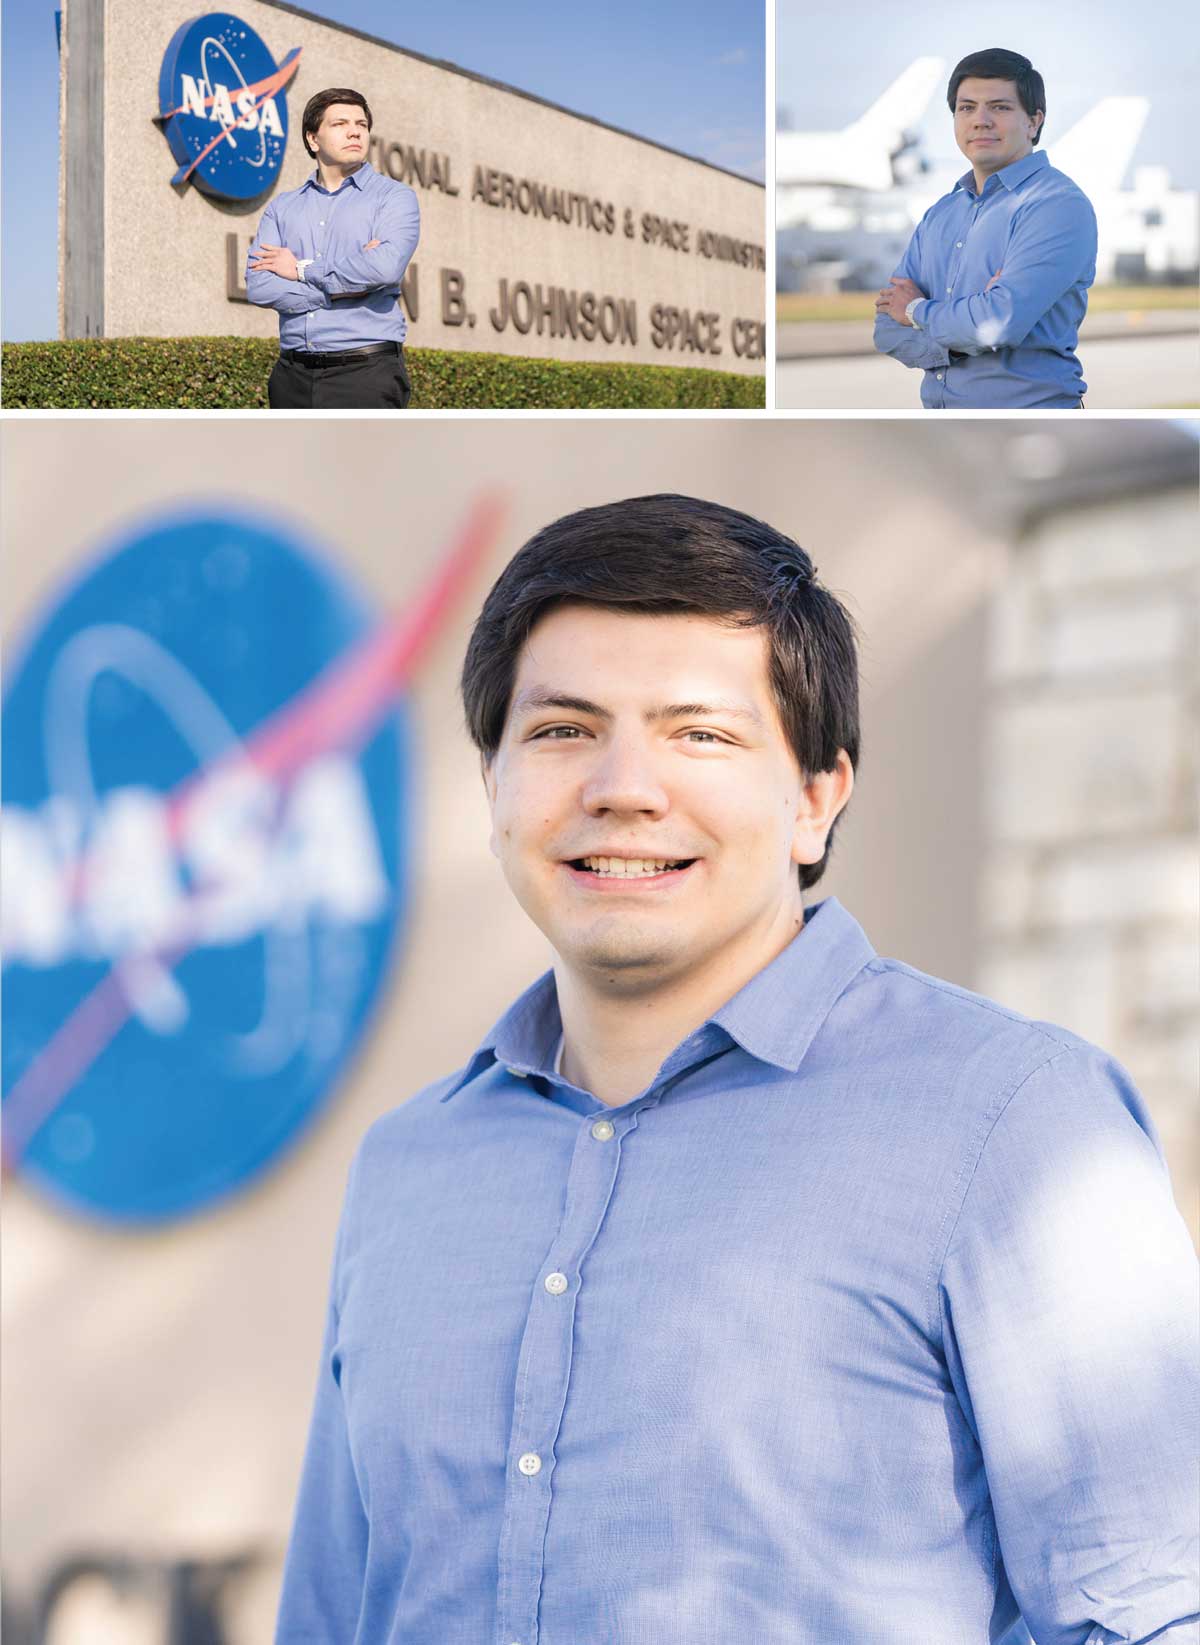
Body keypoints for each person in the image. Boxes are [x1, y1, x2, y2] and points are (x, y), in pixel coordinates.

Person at [275, 496, 1198, 1644]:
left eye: (698, 732)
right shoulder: (408, 1168)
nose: (622, 785)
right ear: (493, 785)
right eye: (562, 730)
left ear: (816, 797)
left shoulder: (1017, 1124)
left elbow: (1158, 1612)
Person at [873, 49, 1097, 409]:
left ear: (1034, 122)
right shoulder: (940, 214)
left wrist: (916, 311)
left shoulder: (1056, 205)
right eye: (966, 107)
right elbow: (887, 331)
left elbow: (997, 322)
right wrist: (967, 328)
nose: (980, 120)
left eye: (1000, 107)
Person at [246, 88, 419, 409]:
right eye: (340, 123)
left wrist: (300, 270)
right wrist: (338, 289)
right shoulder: (282, 208)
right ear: (313, 139)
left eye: (362, 124)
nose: (355, 131)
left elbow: (383, 268)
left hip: (365, 373)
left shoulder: (393, 198)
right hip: (291, 375)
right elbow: (260, 286)